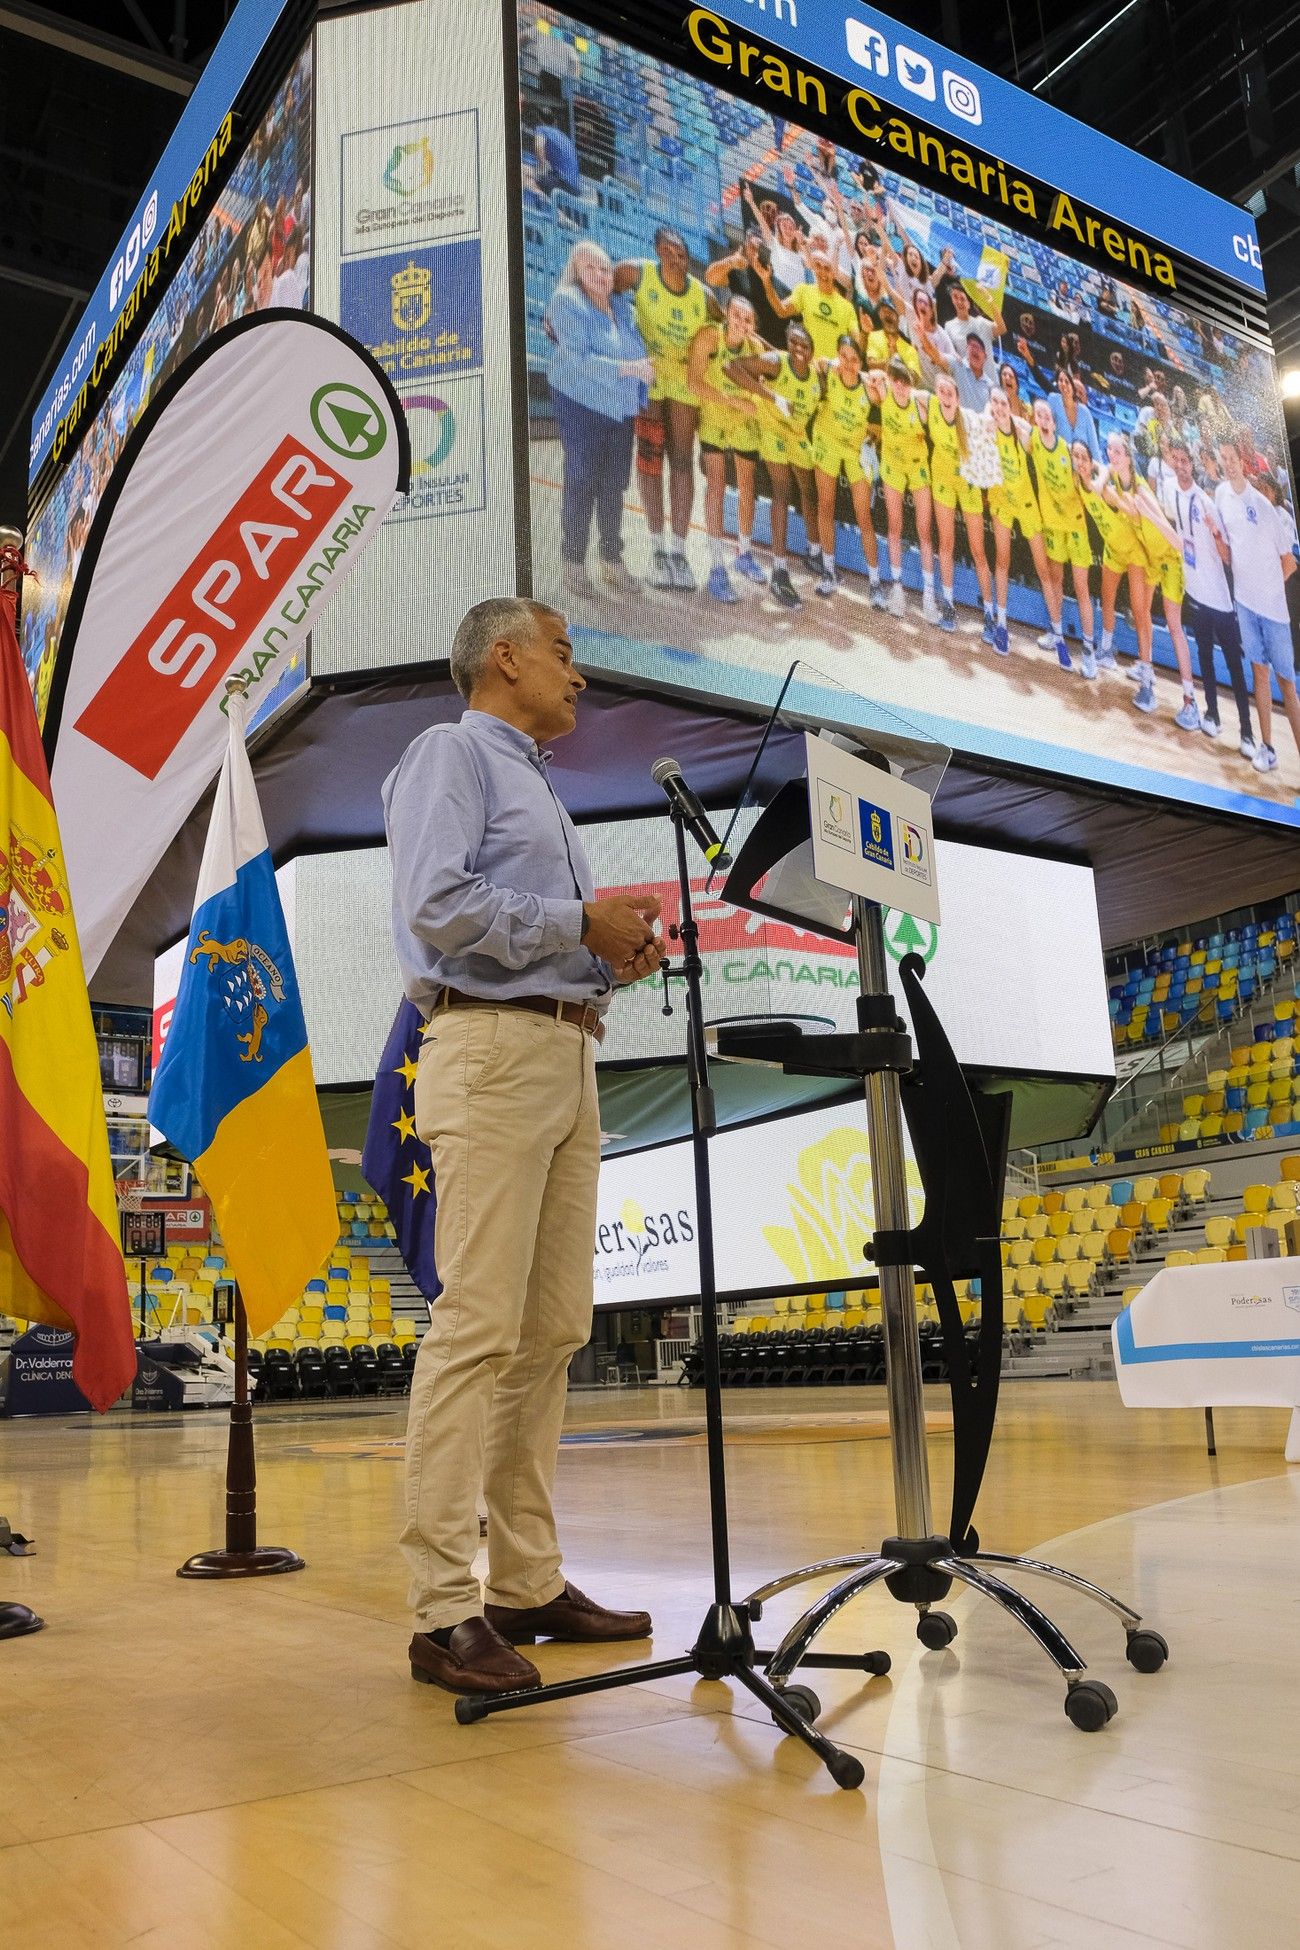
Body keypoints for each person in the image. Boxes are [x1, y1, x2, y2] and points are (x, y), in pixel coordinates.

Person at [384, 597, 661, 1698]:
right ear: (504, 658)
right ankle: (441, 1608)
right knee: (477, 1329)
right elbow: (437, 905)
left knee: (552, 1329)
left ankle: (526, 1583)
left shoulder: (536, 783)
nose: (576, 676)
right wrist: (573, 926)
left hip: (561, 1050)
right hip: (488, 1054)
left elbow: (529, 930)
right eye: (563, 653)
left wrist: (604, 957)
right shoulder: (450, 753)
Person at [546, 241, 651, 599]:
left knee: (615, 485)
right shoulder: (566, 302)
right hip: (581, 405)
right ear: (576, 271)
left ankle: (612, 560)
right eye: (590, 268)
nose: (601, 275)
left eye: (605, 269)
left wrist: (641, 381)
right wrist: (628, 369)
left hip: (619, 410)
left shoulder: (622, 306)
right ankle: (573, 563)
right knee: (582, 481)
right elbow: (579, 360)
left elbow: (639, 353)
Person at [614, 229, 717, 590]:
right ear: (657, 251)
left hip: (685, 380)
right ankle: (657, 549)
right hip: (651, 376)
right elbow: (598, 291)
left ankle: (679, 552)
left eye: (683, 253)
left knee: (683, 461)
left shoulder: (703, 296)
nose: (678, 258)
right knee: (649, 457)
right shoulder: (636, 273)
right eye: (670, 252)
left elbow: (726, 331)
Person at [1163, 440, 1256, 754]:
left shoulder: (1206, 502)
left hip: (1220, 599)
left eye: (1184, 460)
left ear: (1192, 463)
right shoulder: (1169, 489)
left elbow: (1227, 556)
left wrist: (1215, 533)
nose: (1180, 465)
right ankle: (1212, 714)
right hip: (1195, 592)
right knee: (1204, 656)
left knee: (1233, 664)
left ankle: (1247, 733)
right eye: (1175, 460)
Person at [1215, 436, 1300, 774]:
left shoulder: (1264, 507)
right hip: (1245, 606)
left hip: (1274, 614)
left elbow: (1290, 562)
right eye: (1223, 457)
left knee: (1287, 686)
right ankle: (1267, 748)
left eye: (1232, 457)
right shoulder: (1221, 495)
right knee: (1259, 675)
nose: (1228, 462)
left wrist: (1268, 589)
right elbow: (1231, 551)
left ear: (1243, 461)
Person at [727, 320, 821, 608]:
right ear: (786, 343)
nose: (797, 349)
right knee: (782, 490)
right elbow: (732, 367)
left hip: (797, 435)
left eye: (804, 345)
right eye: (792, 342)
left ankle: (815, 552)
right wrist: (771, 396)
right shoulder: (775, 362)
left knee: (809, 489)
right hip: (773, 430)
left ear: (812, 350)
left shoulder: (818, 376)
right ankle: (779, 570)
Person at [686, 293, 766, 603]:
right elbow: (694, 383)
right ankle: (717, 567)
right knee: (716, 487)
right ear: (726, 315)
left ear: (753, 325)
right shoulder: (710, 337)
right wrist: (731, 400)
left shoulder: (756, 350)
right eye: (736, 315)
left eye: (747, 320)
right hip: (716, 416)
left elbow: (762, 390)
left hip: (743, 421)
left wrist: (755, 404)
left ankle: (743, 553)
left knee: (748, 487)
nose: (741, 323)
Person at [808, 334, 883, 603]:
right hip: (827, 440)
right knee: (825, 505)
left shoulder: (870, 389)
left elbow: (880, 426)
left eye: (854, 359)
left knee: (864, 516)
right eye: (844, 356)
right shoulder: (827, 370)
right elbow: (814, 365)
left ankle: (875, 583)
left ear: (860, 362)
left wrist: (871, 441)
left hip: (854, 450)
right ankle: (828, 572)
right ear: (837, 354)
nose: (848, 364)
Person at [1028, 396, 1096, 673]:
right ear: (1035, 419)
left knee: (1081, 589)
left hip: (1076, 527)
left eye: (1047, 416)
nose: (1043, 420)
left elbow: (1092, 473)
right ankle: (1055, 633)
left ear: (1054, 423)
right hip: (1053, 526)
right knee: (1055, 579)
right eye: (1038, 415)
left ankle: (1089, 651)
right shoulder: (1031, 438)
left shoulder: (1068, 451)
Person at [987, 386, 1055, 656]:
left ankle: (1058, 633)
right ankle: (1001, 625)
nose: (1000, 408)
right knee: (1002, 560)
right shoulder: (987, 428)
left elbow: (1043, 444)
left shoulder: (1022, 432)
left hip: (1027, 503)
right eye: (995, 403)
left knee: (1043, 568)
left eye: (1004, 403)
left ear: (1010, 406)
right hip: (1002, 501)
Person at [1071, 442, 1150, 676]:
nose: (1081, 462)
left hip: (1134, 549)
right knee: (1107, 600)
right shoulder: (1078, 482)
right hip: (1113, 549)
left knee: (1139, 610)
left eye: (1085, 458)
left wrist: (1134, 506)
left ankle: (1147, 666)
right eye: (1077, 458)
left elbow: (1133, 511)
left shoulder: (1105, 489)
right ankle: (1105, 650)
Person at [926, 370, 994, 637]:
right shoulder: (929, 405)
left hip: (968, 483)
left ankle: (989, 612)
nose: (944, 396)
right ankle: (949, 604)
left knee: (978, 551)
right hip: (943, 480)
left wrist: (992, 404)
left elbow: (990, 422)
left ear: (957, 397)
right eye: (941, 391)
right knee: (946, 544)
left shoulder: (968, 419)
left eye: (949, 392)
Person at [877, 355, 936, 623]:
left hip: (917, 467)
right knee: (895, 525)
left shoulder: (920, 402)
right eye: (896, 380)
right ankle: (897, 588)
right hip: (892, 466)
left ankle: (928, 595)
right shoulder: (882, 390)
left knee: (924, 530)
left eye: (905, 381)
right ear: (890, 380)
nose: (900, 386)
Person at [757, 245, 858, 361]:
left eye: (827, 268)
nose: (823, 272)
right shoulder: (804, 291)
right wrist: (766, 281)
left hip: (834, 370)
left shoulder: (847, 307)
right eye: (818, 266)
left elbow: (855, 341)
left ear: (834, 273)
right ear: (814, 268)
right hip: (808, 366)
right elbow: (781, 311)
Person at [704, 229, 786, 344]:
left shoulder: (780, 284)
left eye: (760, 248)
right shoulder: (739, 273)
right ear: (745, 248)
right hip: (745, 344)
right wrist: (731, 261)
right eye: (752, 247)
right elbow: (710, 278)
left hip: (775, 350)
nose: (756, 252)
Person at [943, 282, 1004, 365]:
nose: (959, 302)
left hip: (990, 376)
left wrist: (989, 299)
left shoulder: (981, 322)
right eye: (955, 297)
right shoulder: (949, 326)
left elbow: (1001, 329)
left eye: (962, 298)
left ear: (968, 304)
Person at [1051, 368, 1101, 461]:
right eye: (1075, 391)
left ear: (1086, 399)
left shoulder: (1086, 414)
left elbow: (1095, 451)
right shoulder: (1055, 404)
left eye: (1081, 393)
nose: (1077, 395)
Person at [864, 300, 920, 379]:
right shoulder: (874, 336)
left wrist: (889, 363)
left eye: (890, 311)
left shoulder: (910, 349)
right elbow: (871, 364)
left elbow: (914, 377)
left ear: (898, 318)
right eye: (883, 312)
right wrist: (894, 362)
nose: (887, 314)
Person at [533, 110, 581, 196]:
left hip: (561, 184)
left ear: (539, 119)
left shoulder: (541, 129)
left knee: (527, 178)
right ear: (555, 121)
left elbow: (538, 147)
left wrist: (542, 166)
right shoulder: (564, 136)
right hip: (575, 189)